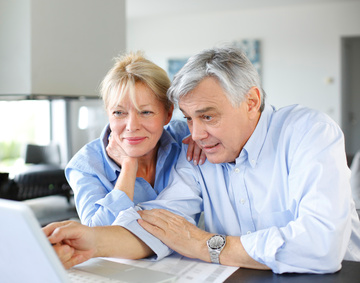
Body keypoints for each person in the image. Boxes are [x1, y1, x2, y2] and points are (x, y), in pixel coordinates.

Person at [43, 45, 360, 274]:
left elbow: (321, 248)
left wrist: (205, 244)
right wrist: (91, 240)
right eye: (190, 119)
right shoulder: (199, 154)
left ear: (251, 101)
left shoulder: (309, 133)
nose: (195, 134)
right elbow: (161, 223)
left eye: (207, 117)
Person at [65, 51, 204, 226]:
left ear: (168, 114)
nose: (131, 126)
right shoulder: (86, 164)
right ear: (108, 113)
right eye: (119, 113)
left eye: (145, 112)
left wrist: (204, 139)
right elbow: (97, 233)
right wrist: (128, 167)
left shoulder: (185, 137)